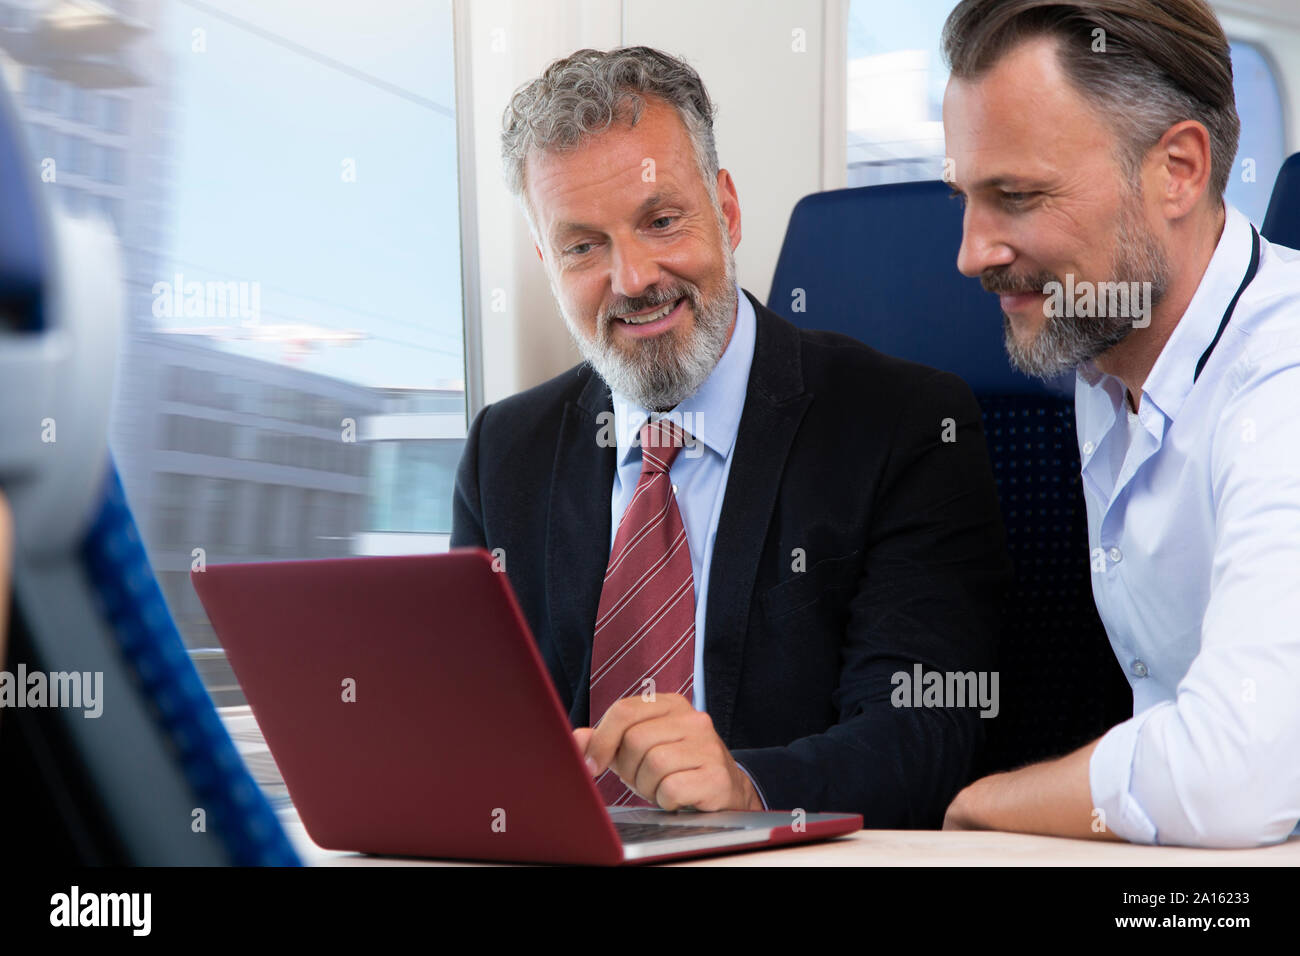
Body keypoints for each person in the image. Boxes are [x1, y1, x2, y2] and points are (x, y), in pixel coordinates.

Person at [451, 46, 1010, 823]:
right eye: (584, 246)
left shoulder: (903, 426)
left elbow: (923, 733)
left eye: (662, 220)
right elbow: (469, 727)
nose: (634, 277)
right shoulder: (502, 454)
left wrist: (752, 789)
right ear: (548, 262)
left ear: (728, 210)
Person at [940, 0, 1300, 846]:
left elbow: (1232, 778)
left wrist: (978, 805)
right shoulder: (1104, 347)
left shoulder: (1282, 375)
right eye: (963, 197)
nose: (969, 252)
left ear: (1177, 169)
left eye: (1016, 195)